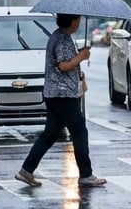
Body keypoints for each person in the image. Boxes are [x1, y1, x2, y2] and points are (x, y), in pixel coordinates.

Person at [15, 13, 106, 188]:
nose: (79, 22)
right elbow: (63, 65)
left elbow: (65, 63)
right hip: (63, 95)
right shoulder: (62, 39)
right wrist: (81, 57)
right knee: (79, 131)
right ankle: (86, 175)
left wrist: (78, 68)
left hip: (54, 93)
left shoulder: (59, 37)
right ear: (72, 21)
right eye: (78, 19)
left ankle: (26, 170)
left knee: (50, 134)